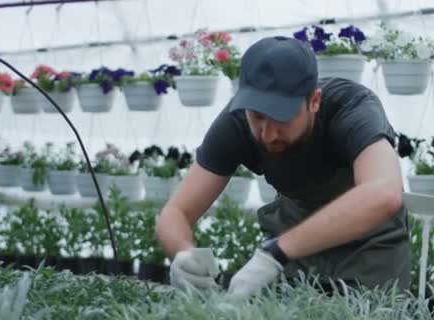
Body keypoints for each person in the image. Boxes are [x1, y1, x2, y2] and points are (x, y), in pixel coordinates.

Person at [156, 35, 410, 298]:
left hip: (368, 245)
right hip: (294, 236)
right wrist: (183, 254)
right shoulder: (237, 120)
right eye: (258, 117)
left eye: (282, 117)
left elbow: (383, 193)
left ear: (314, 101)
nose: (268, 134)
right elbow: (176, 211)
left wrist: (275, 253)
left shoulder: (352, 107)